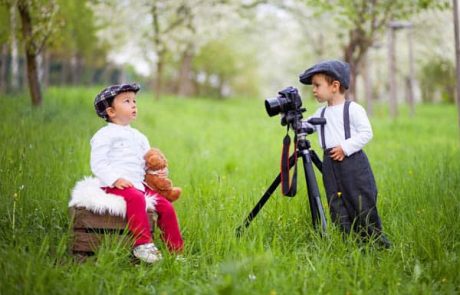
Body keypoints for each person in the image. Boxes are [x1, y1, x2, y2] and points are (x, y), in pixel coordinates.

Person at [299, 60, 391, 248]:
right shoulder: (320, 113)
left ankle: (376, 244)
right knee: (336, 205)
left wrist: (345, 147)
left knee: (361, 203)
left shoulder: (353, 109)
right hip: (330, 165)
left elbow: (366, 133)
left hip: (353, 163)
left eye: (317, 85)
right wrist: (292, 118)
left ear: (334, 86)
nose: (314, 90)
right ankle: (349, 243)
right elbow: (304, 127)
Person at [90, 83, 184, 263]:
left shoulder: (139, 137)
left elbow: (146, 163)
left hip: (139, 184)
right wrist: (115, 179)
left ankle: (176, 251)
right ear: (111, 111)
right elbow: (98, 163)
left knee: (166, 207)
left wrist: (158, 171)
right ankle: (142, 244)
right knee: (136, 198)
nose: (133, 105)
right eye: (127, 101)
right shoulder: (104, 135)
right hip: (114, 185)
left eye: (134, 101)